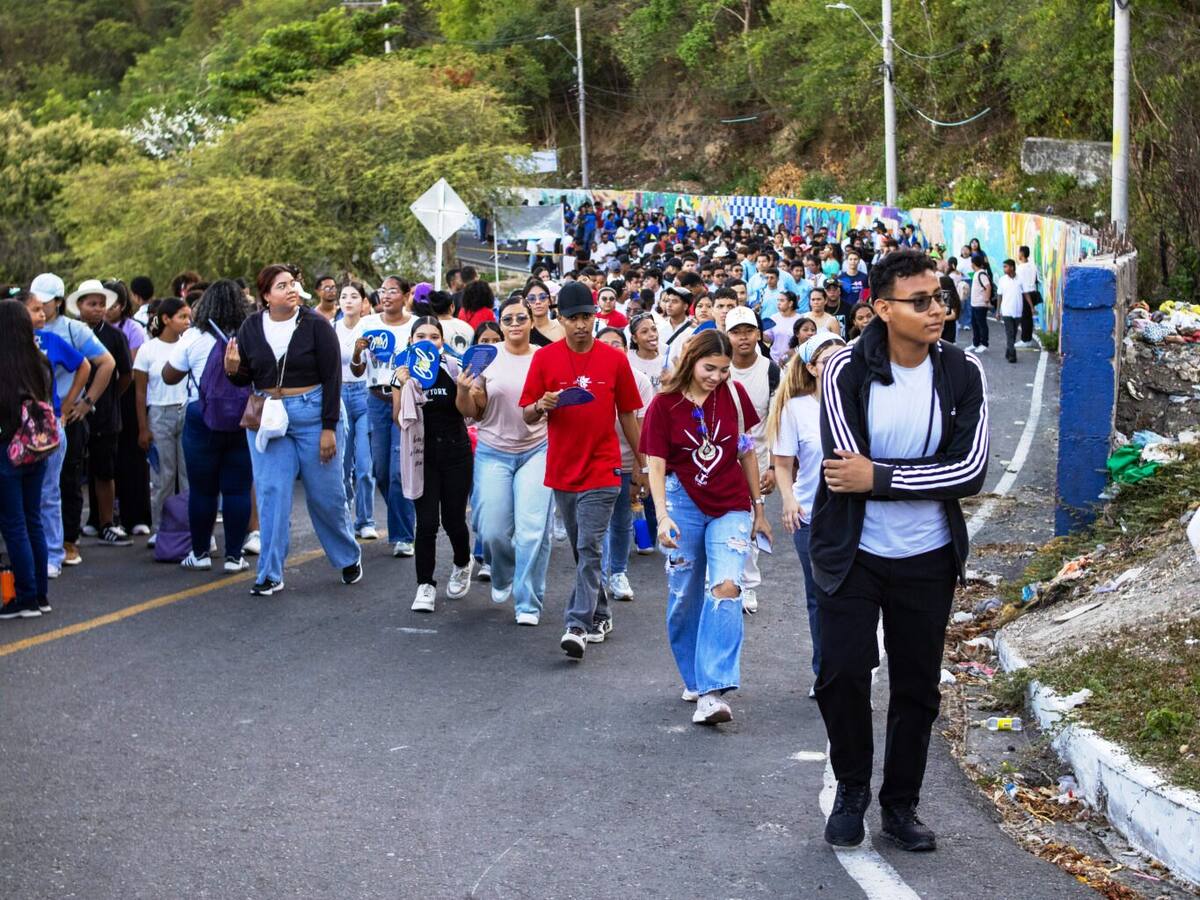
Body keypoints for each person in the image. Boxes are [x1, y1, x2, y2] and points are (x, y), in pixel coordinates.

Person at [811, 249, 989, 851]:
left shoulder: (964, 372)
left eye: (939, 297)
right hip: (851, 552)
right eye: (920, 300)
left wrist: (882, 478)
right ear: (882, 309)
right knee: (841, 673)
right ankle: (852, 789)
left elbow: (970, 471)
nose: (936, 309)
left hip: (928, 555)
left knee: (917, 686)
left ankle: (900, 805)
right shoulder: (842, 370)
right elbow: (843, 469)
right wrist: (907, 474)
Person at [639, 329, 772, 725]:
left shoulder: (732, 396)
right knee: (684, 596)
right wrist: (661, 515)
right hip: (682, 503)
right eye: (709, 368)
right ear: (690, 361)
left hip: (731, 504)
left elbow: (745, 450)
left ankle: (712, 691)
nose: (716, 377)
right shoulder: (664, 404)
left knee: (728, 586)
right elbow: (656, 464)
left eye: (724, 370)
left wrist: (758, 507)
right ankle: (694, 678)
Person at [519, 281, 644, 658]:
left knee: (590, 545)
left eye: (586, 317)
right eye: (573, 318)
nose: (580, 324)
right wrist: (542, 404)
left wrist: (643, 463)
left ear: (595, 316)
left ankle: (577, 623)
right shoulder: (544, 359)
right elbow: (527, 415)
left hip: (604, 468)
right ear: (560, 318)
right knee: (580, 547)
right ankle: (601, 610)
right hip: (563, 469)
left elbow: (627, 414)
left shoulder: (615, 358)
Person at [224, 265, 363, 596]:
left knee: (325, 496)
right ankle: (270, 573)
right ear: (266, 295)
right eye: (281, 285)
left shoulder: (316, 324)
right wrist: (233, 371)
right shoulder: (251, 326)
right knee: (272, 495)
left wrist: (329, 427)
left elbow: (333, 378)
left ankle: (347, 555)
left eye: (293, 283)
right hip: (268, 416)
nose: (290, 289)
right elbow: (246, 377)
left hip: (314, 413)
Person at [461, 296, 553, 625]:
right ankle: (502, 574)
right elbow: (474, 412)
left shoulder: (544, 357)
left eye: (521, 318)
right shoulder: (486, 357)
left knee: (532, 532)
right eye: (508, 319)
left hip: (537, 449)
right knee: (491, 530)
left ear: (532, 321)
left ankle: (528, 602)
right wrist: (466, 390)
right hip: (493, 450)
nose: (514, 324)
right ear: (500, 324)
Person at [768, 332, 845, 696]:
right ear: (812, 368)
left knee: (857, 598)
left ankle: (854, 668)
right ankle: (825, 672)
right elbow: (782, 464)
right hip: (811, 517)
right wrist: (788, 500)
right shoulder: (794, 408)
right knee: (819, 596)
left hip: (857, 517)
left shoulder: (861, 401)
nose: (836, 368)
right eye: (827, 362)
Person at [162, 280, 254, 573]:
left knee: (203, 490)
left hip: (201, 417)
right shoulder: (252, 335)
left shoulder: (194, 337)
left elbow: (168, 376)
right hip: (242, 418)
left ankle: (200, 553)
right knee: (238, 489)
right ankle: (234, 557)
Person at [29, 273, 115, 571]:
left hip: (63, 416)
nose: (40, 307)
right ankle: (40, 546)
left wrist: (83, 403)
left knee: (66, 481)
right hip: (29, 420)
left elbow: (105, 363)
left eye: (45, 302)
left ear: (58, 301)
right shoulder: (21, 330)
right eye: (35, 302)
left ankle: (67, 542)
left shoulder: (71, 330)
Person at [394, 316, 473, 612]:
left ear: (442, 341)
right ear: (411, 341)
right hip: (420, 456)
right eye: (420, 336)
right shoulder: (401, 372)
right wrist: (408, 386)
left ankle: (463, 562)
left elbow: (468, 413)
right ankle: (425, 585)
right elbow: (398, 419)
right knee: (426, 523)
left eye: (434, 336)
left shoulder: (453, 368)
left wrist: (464, 387)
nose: (427, 340)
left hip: (456, 453)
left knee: (454, 520)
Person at [22, 290, 90, 581]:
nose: (41, 314)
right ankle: (25, 555)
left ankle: (53, 554)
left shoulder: (50, 340)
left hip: (49, 429)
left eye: (42, 309)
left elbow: (84, 366)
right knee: (21, 496)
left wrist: (69, 403)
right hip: (16, 432)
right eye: (34, 309)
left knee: (49, 493)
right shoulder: (10, 345)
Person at [353, 275, 416, 557]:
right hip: (375, 400)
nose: (387, 295)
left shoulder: (416, 325)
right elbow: (357, 370)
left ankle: (404, 536)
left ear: (406, 295)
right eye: (383, 291)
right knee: (380, 470)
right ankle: (405, 516)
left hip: (404, 400)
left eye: (393, 291)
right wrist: (357, 351)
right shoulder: (368, 324)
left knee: (398, 472)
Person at [69, 279, 134, 547]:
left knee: (104, 470)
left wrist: (107, 397)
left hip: (105, 413)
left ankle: (107, 522)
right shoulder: (69, 333)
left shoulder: (116, 336)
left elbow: (126, 376)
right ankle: (76, 526)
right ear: (79, 306)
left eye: (101, 304)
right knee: (72, 472)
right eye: (91, 304)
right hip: (71, 411)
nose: (98, 309)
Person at [0, 299, 54, 620]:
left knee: (14, 524)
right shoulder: (40, 362)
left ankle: (25, 597)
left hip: (6, 451)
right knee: (33, 520)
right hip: (36, 450)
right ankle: (40, 594)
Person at [595, 327, 655, 602]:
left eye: (616, 344)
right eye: (605, 344)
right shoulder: (590, 379)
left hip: (626, 460)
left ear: (626, 348)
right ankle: (597, 577)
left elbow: (642, 428)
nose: (611, 349)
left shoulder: (639, 380)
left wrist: (641, 469)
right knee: (597, 522)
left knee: (620, 519)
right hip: (595, 459)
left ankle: (618, 572)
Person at [726, 307, 779, 614]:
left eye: (748, 331)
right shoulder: (719, 367)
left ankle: (747, 585)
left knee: (750, 521)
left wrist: (773, 465)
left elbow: (776, 420)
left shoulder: (771, 370)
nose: (743, 337)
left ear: (758, 334)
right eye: (736, 332)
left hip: (755, 457)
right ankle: (723, 579)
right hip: (720, 458)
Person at [133, 297, 193, 545]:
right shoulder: (148, 349)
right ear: (166, 319)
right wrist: (143, 427)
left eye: (189, 317)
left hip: (188, 410)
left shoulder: (189, 344)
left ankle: (194, 529)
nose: (187, 322)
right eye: (182, 317)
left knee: (188, 474)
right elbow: (140, 392)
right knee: (163, 477)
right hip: (159, 413)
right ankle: (162, 528)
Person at [103, 279, 153, 538]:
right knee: (105, 460)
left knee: (132, 457)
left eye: (109, 303)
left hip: (127, 396)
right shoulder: (86, 329)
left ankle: (137, 516)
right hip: (100, 397)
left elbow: (132, 370)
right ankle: (105, 517)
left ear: (122, 305)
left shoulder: (133, 329)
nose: (103, 308)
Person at [335, 280, 377, 540]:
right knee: (341, 466)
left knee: (364, 465)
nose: (348, 300)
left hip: (365, 394)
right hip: (339, 396)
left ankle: (366, 520)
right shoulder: (331, 328)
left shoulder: (370, 327)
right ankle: (344, 517)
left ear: (363, 302)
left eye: (353, 296)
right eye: (344, 296)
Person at [997, 259, 1023, 364]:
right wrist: (998, 311)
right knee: (1010, 332)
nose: (1004, 269)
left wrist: (1031, 307)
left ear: (1012, 267)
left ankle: (1008, 351)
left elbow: (1025, 293)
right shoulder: (1002, 280)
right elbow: (999, 295)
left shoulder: (1020, 279)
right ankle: (1012, 355)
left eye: (1005, 266)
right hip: (1006, 311)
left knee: (1014, 333)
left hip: (1017, 311)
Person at [1015, 246, 1040, 347]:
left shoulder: (1021, 268)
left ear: (1022, 253)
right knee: (1028, 318)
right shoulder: (1033, 265)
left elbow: (1019, 283)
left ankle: (1025, 340)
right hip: (1033, 292)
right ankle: (1027, 338)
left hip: (1026, 294)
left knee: (1025, 318)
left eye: (1019, 252)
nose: (1018, 254)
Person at [526, 281, 563, 345]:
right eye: (532, 298)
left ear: (549, 300)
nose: (538, 302)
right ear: (525, 302)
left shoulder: (562, 327)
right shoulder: (523, 331)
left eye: (542, 297)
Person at [968, 251, 991, 353]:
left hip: (980, 304)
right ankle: (975, 343)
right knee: (975, 324)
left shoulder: (981, 274)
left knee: (981, 324)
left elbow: (988, 287)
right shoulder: (977, 273)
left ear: (973, 264)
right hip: (974, 304)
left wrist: (986, 299)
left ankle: (984, 344)